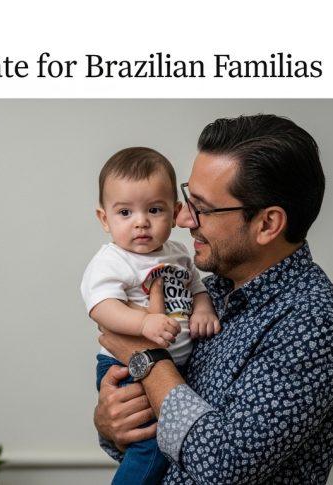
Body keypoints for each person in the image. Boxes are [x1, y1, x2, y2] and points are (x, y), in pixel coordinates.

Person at [95, 115, 333, 484]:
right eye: (187, 199)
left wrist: (147, 359)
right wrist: (112, 426)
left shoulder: (314, 322)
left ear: (267, 224)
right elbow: (161, 442)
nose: (183, 219)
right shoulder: (211, 289)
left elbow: (222, 467)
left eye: (202, 207)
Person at [81, 147, 218, 484]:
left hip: (173, 366)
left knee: (163, 443)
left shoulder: (179, 253)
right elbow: (101, 308)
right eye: (125, 212)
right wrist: (143, 323)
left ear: (174, 213)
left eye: (154, 210)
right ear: (104, 219)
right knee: (151, 445)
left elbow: (196, 287)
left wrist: (202, 308)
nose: (141, 221)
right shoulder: (112, 261)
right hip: (127, 367)